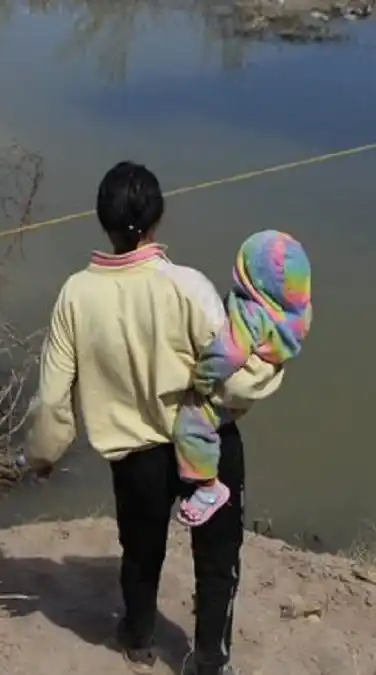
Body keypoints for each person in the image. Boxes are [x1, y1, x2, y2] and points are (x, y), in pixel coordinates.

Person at [26, 161, 278, 675]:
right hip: (208, 444)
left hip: (135, 456)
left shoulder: (76, 293)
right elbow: (232, 373)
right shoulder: (187, 286)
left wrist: (43, 454)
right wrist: (269, 372)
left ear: (103, 221)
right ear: (158, 218)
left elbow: (52, 396)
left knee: (141, 551)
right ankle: (210, 659)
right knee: (217, 558)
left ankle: (138, 636)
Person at [173, 230, 311, 527]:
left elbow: (229, 354)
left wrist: (202, 379)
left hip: (233, 382)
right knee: (223, 416)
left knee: (193, 422)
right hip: (259, 386)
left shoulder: (252, 313)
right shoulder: (298, 312)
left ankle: (209, 487)